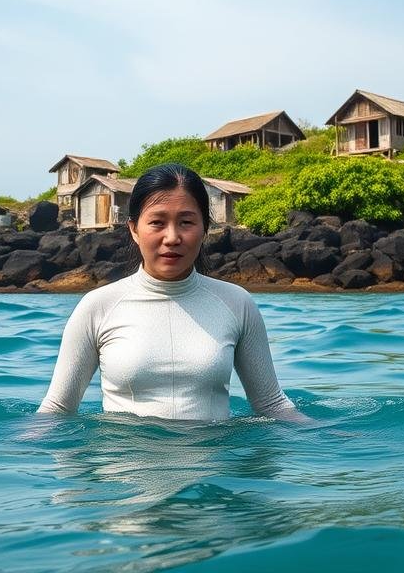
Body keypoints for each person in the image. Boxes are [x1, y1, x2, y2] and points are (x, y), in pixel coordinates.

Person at [37, 163, 310, 422]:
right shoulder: (98, 306)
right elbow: (57, 407)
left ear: (205, 229)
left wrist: (327, 437)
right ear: (134, 229)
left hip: (214, 456)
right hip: (124, 456)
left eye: (186, 222)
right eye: (157, 222)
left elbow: (271, 404)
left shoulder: (237, 303)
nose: (172, 238)